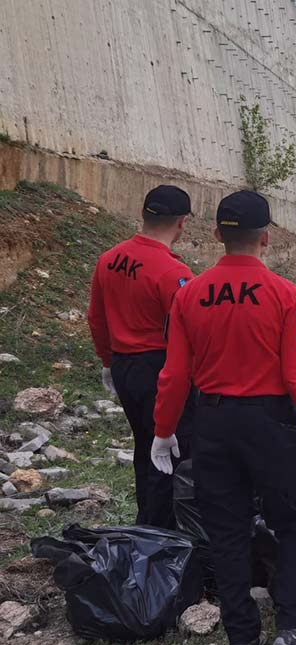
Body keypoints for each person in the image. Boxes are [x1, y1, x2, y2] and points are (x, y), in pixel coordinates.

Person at [152, 190, 296, 645]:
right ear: (267, 237)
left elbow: (174, 374)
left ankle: (242, 642)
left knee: (225, 532)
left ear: (218, 235)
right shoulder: (288, 296)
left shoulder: (189, 294)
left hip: (213, 424)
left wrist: (164, 431)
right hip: (271, 424)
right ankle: (291, 632)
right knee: (291, 525)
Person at [87, 185, 196, 529]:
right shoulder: (172, 273)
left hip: (123, 366)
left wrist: (107, 361)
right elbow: (190, 337)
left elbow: (96, 317)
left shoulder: (110, 259)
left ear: (144, 214)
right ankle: (161, 533)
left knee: (145, 444)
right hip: (160, 371)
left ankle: (145, 520)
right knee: (171, 451)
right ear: (181, 223)